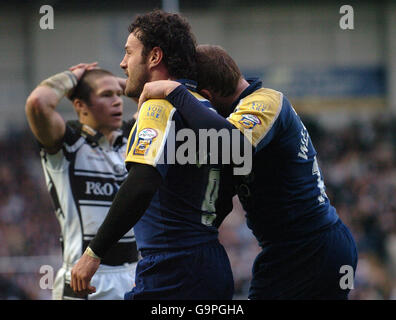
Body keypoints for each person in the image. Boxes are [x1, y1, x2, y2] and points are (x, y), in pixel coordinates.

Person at [136, 44, 359, 300]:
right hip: (291, 250)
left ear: (206, 96)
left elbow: (233, 145)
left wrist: (176, 93)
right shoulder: (236, 117)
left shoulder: (266, 101)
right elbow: (220, 198)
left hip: (311, 248)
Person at [70, 10, 234, 300]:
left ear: (154, 57)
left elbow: (142, 182)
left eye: (128, 53)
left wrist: (93, 253)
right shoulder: (202, 107)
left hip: (172, 269)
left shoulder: (158, 106)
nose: (122, 63)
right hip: (211, 263)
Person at [25, 64, 139, 300]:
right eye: (106, 95)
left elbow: (158, 98)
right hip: (85, 280)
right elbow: (38, 103)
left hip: (134, 277)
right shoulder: (68, 144)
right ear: (80, 105)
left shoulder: (131, 139)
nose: (117, 101)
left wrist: (111, 82)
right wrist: (73, 77)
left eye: (118, 94)